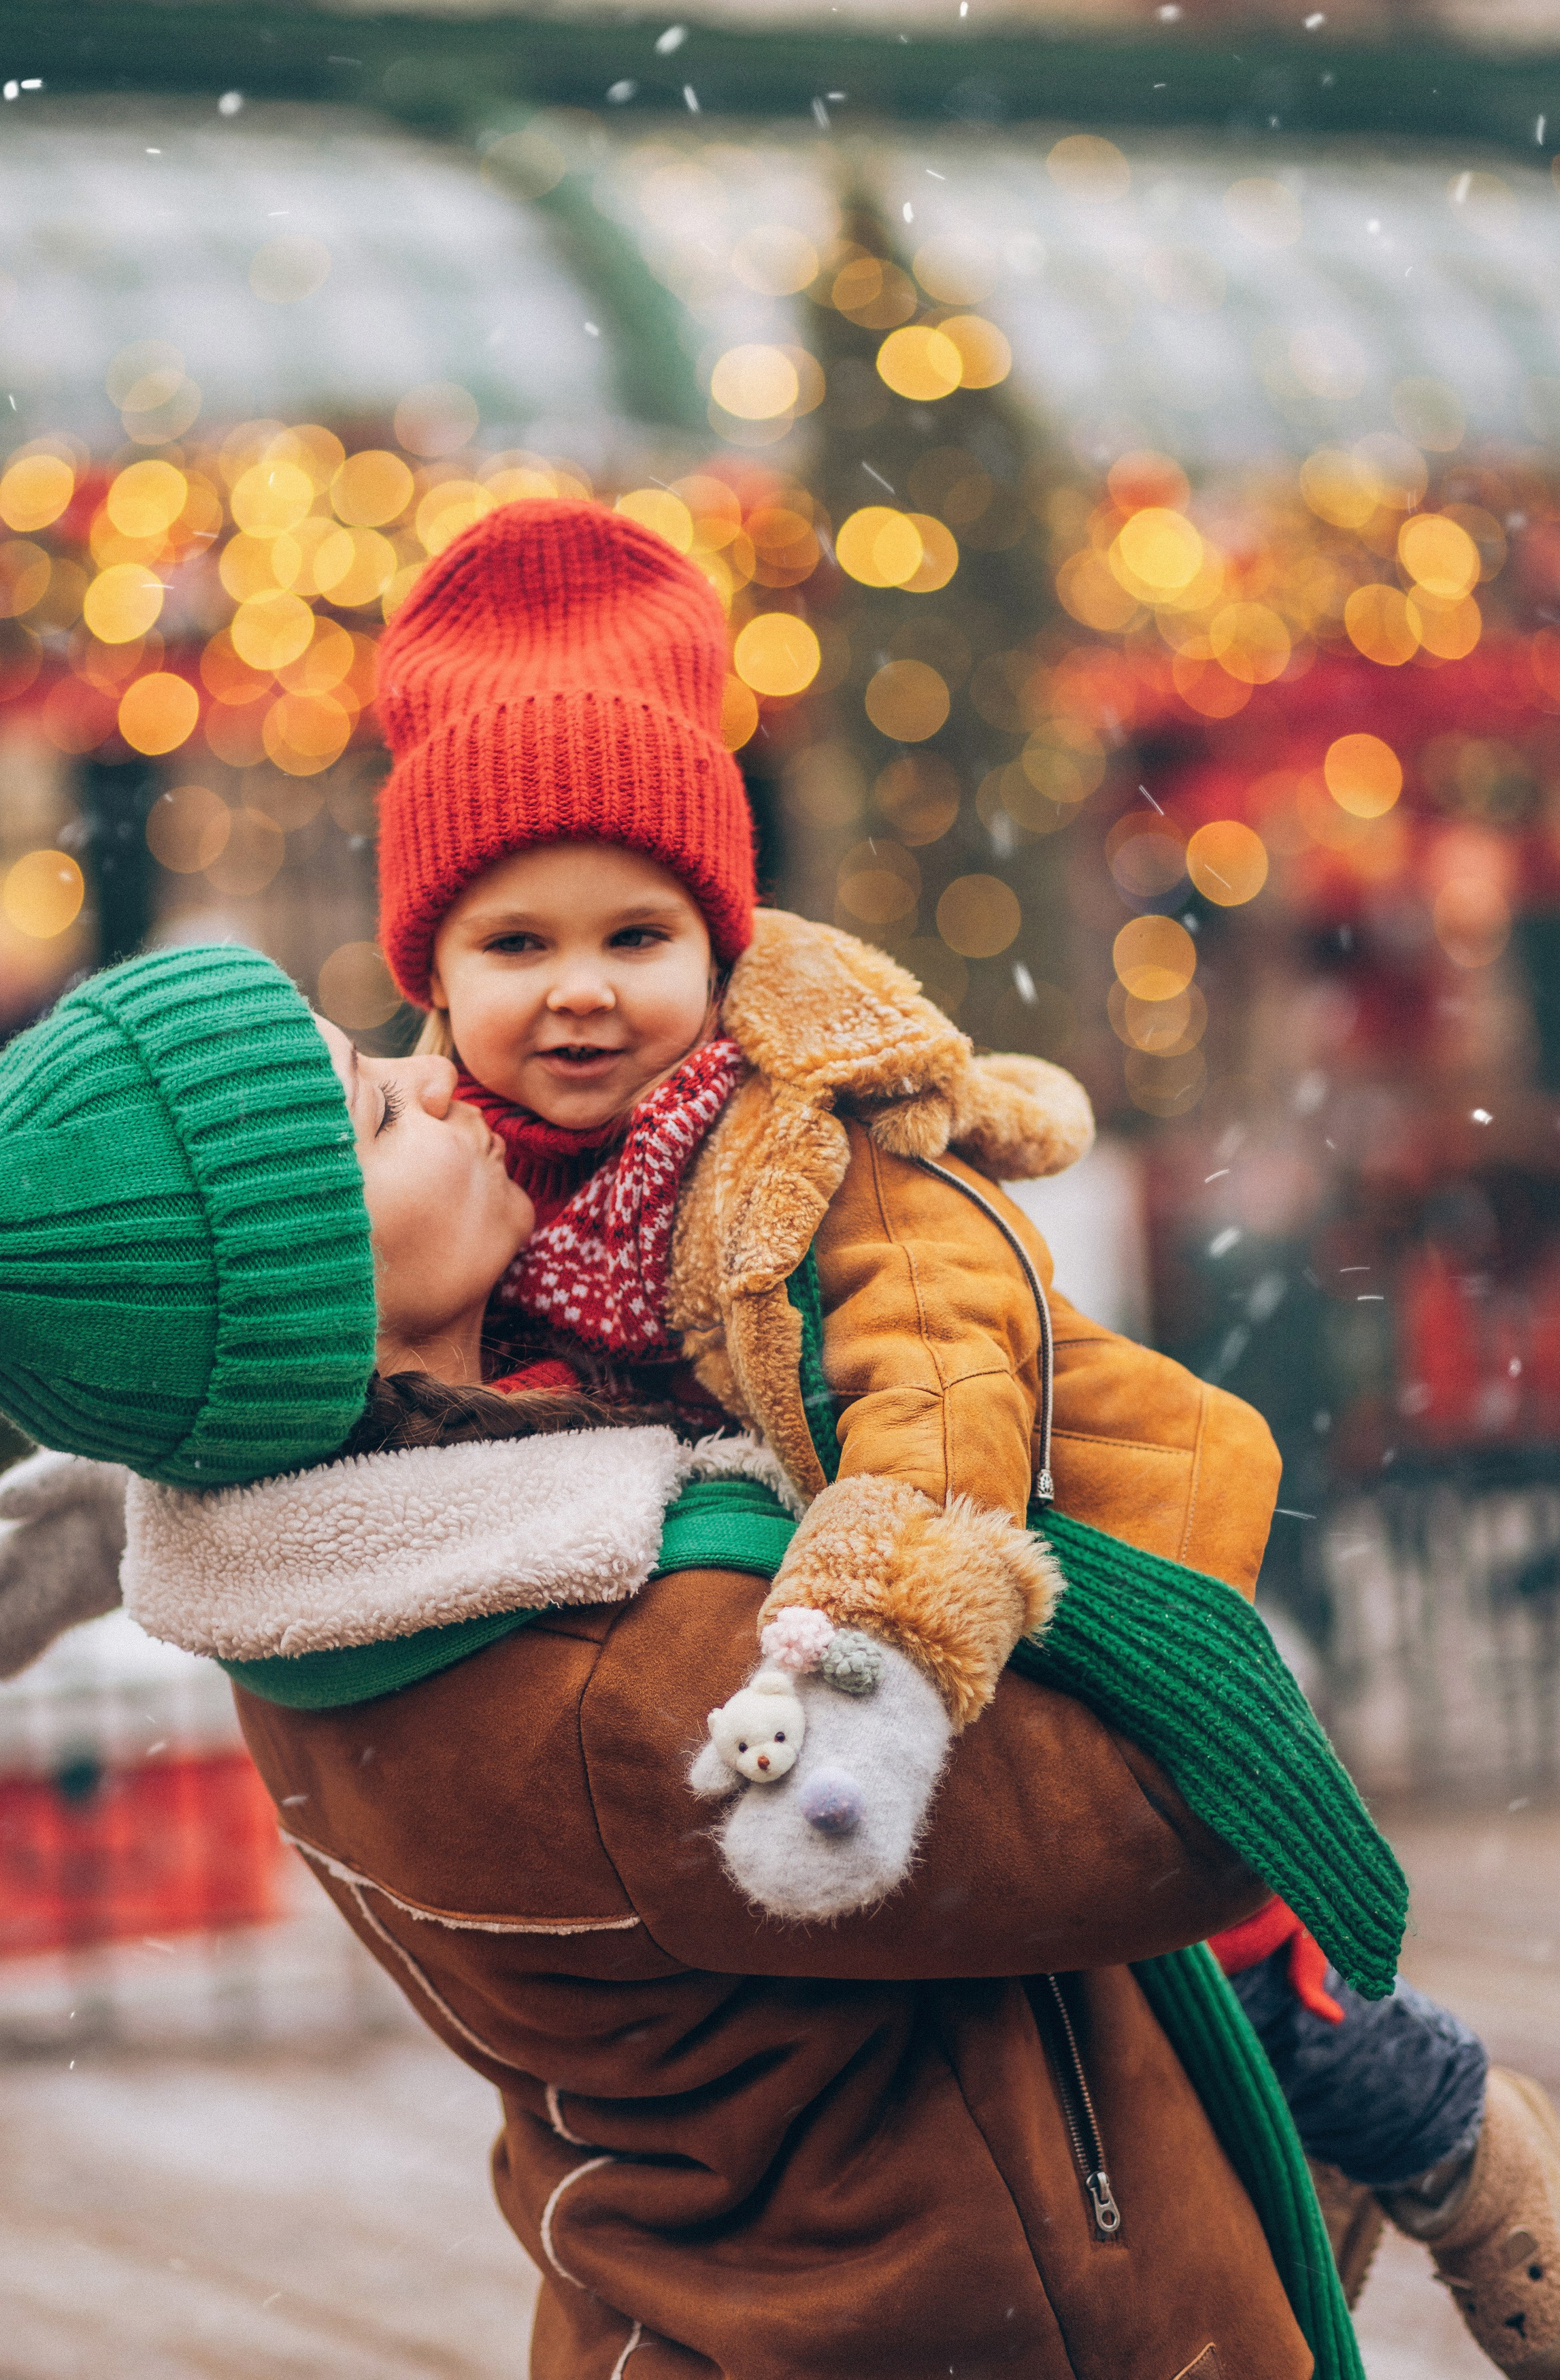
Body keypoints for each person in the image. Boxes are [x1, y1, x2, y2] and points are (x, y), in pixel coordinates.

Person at [366, 493, 1560, 2371]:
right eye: (515, 940)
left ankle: (1459, 2158)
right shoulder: (442, 1178)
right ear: (433, 978)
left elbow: (938, 1392)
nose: (579, 985)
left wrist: (880, 1634)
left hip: (1020, 1561)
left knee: (1241, 1968)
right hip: (772, 1636)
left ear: (722, 943)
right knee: (1054, 2007)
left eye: (636, 930)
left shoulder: (809, 1150)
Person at [0, 939, 1327, 2380]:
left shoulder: (330, 1578)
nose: (435, 1084)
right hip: (962, 2322)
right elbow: (1190, 1829)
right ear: (311, 1308)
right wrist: (1078, 1455)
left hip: (726, 2306)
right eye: (372, 1111)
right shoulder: (612, 1684)